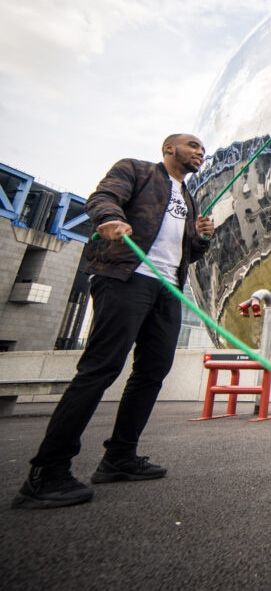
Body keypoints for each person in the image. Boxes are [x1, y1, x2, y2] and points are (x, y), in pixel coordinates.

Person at [12, 134, 214, 509]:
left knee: (153, 371)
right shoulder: (135, 170)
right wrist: (110, 218)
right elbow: (102, 199)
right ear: (169, 149)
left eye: (203, 148)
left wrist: (201, 239)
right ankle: (47, 472)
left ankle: (119, 457)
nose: (200, 152)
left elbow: (187, 251)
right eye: (192, 145)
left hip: (167, 288)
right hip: (126, 277)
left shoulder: (188, 198)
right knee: (100, 368)